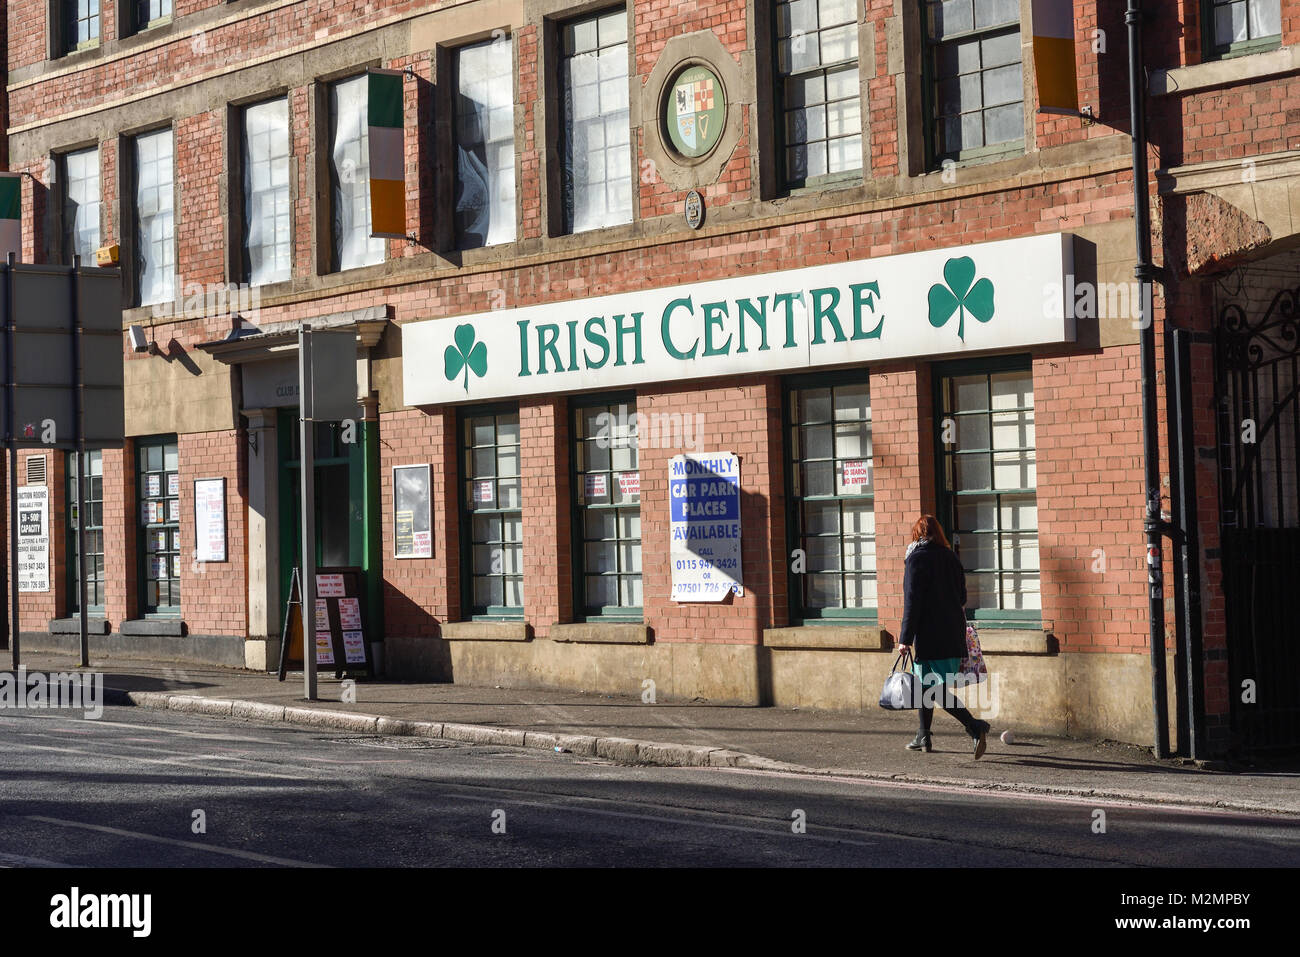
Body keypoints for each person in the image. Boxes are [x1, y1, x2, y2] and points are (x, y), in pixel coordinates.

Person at [896, 514, 991, 757]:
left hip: (929, 637)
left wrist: (905, 637)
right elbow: (962, 597)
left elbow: (912, 602)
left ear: (917, 535)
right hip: (952, 634)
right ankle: (923, 735)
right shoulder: (951, 558)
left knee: (931, 688)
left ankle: (973, 725)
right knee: (927, 685)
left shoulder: (915, 559)